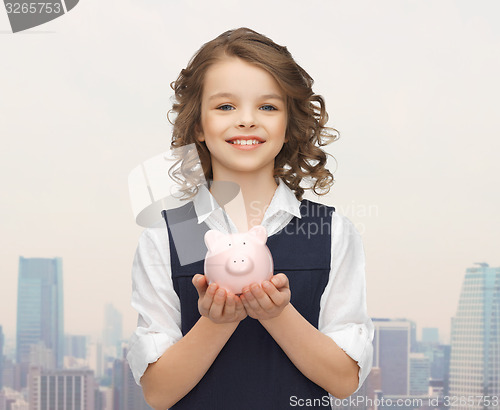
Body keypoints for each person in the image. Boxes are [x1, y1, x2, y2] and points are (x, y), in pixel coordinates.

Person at [127, 27, 373, 410]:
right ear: (197, 125)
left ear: (289, 124)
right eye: (225, 106)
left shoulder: (330, 233)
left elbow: (343, 381)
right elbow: (158, 392)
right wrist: (218, 321)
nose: (246, 120)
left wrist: (276, 315)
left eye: (268, 107)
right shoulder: (170, 236)